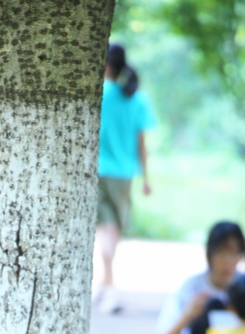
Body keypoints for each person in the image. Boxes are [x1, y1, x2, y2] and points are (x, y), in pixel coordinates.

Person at [94, 43, 155, 315]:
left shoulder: (97, 94)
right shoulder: (136, 98)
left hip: (95, 171)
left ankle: (107, 286)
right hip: (123, 175)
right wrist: (146, 177)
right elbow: (142, 144)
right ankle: (109, 287)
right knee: (112, 231)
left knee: (104, 229)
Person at [157, 221, 245, 334]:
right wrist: (188, 316)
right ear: (210, 254)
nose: (227, 262)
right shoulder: (192, 288)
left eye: (233, 254)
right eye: (221, 253)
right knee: (212, 307)